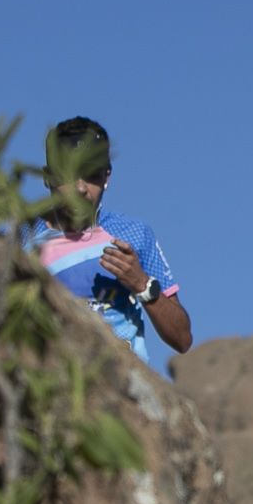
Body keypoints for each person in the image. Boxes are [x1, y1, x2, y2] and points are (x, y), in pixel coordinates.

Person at [26, 116, 193, 360]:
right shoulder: (17, 240)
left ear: (107, 177)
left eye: (92, 174)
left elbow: (182, 338)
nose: (81, 188)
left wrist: (142, 285)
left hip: (122, 391)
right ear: (48, 177)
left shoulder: (133, 234)